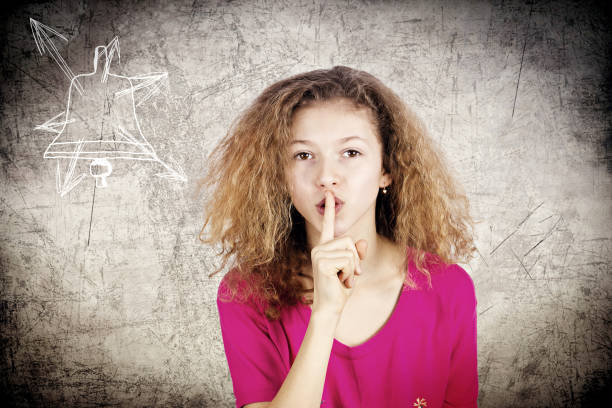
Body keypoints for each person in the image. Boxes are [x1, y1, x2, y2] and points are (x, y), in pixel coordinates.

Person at [198, 66, 479, 408]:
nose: (327, 177)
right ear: (280, 177)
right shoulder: (246, 294)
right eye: (303, 155)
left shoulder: (448, 288)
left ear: (386, 170)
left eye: (351, 153)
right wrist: (325, 314)